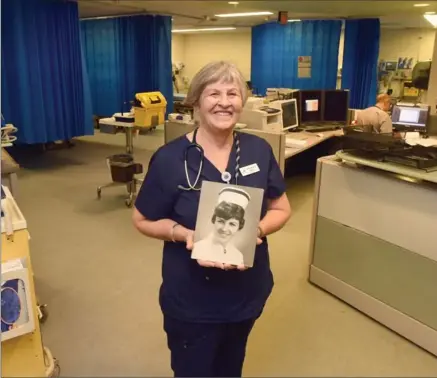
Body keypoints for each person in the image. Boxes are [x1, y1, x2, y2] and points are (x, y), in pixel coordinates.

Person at [132, 61, 291, 377]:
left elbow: (281, 208)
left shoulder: (258, 151)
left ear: (242, 102)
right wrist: (183, 234)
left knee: (231, 367)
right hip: (192, 300)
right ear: (196, 101)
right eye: (213, 93)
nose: (224, 102)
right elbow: (142, 219)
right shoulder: (170, 159)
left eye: (233, 93)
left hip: (246, 292)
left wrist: (256, 229)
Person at [192, 187, 251, 267]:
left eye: (232, 224)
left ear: (239, 226)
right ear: (214, 220)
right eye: (221, 221)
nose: (224, 229)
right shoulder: (198, 248)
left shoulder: (237, 255)